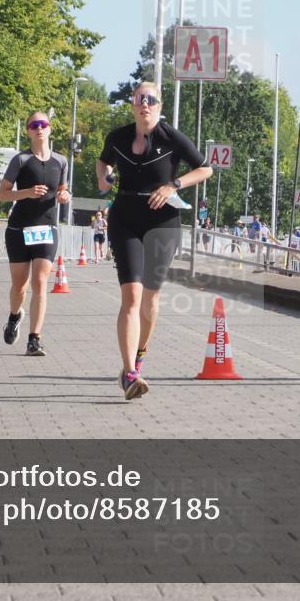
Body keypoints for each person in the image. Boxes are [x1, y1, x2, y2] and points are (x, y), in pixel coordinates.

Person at [96, 82, 213, 400]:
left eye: (150, 100)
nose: (144, 104)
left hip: (163, 222)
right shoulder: (118, 137)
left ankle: (140, 353)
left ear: (159, 106)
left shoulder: (170, 137)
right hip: (126, 218)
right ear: (132, 105)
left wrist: (174, 185)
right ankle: (129, 374)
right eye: (139, 99)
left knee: (151, 300)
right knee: (131, 297)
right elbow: (103, 161)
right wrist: (104, 176)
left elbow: (205, 169)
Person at [0, 113, 70, 356]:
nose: (39, 128)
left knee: (40, 283)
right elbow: (3, 194)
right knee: (20, 287)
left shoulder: (60, 161)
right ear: (28, 131)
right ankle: (14, 316)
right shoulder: (21, 160)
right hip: (20, 228)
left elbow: (63, 189)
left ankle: (34, 339)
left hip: (46, 228)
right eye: (34, 125)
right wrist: (26, 192)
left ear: (50, 129)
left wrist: (64, 195)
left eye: (43, 124)